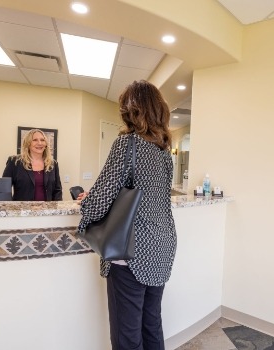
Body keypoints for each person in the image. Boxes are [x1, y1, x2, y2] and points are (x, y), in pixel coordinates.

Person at [77, 80, 176, 350]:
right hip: (162, 247)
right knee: (151, 325)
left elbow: (100, 198)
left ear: (130, 110)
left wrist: (84, 213)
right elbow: (154, 197)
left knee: (127, 336)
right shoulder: (164, 152)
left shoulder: (127, 144)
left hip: (132, 254)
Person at [2, 128, 62, 201]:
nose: (39, 143)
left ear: (46, 144)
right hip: (22, 210)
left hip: (47, 211)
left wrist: (56, 209)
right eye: (35, 140)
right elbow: (4, 189)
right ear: (28, 143)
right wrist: (9, 208)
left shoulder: (53, 164)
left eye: (42, 140)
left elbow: (57, 190)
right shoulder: (14, 162)